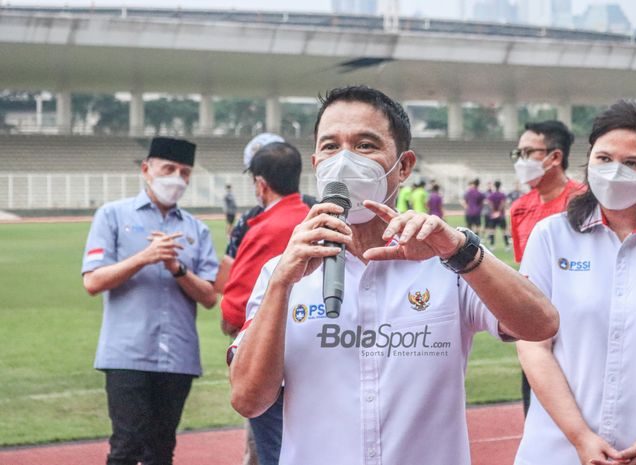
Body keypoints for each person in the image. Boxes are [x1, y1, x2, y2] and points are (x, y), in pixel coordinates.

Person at [228, 85, 559, 465]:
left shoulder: (447, 263)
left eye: (365, 145)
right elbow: (248, 400)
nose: (345, 160)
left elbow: (541, 324)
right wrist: (282, 286)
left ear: (403, 166)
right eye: (332, 147)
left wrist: (459, 250)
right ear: (317, 163)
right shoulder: (282, 274)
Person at [514, 100, 636, 465]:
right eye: (604, 159)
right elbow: (534, 346)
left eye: (632, 164)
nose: (615, 173)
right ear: (589, 159)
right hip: (560, 449)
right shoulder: (551, 237)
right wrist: (581, 438)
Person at [81, 137, 218, 465]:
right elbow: (93, 281)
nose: (176, 178)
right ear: (147, 169)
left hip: (178, 357)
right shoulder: (112, 216)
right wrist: (144, 258)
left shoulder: (196, 230)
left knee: (162, 449)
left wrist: (176, 268)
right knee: (126, 445)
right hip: (127, 354)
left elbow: (210, 296)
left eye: (184, 172)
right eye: (168, 169)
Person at [221, 141, 311, 465]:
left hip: (270, 367)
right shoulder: (314, 218)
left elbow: (233, 308)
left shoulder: (262, 228)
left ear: (261, 184)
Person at [509, 119, 583, 414]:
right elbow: (524, 275)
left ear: (555, 157)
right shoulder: (519, 208)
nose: (521, 161)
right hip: (537, 333)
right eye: (518, 153)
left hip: (580, 332)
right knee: (537, 416)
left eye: (529, 152)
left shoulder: (585, 202)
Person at [485, 180, 509, 249]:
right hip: (501, 215)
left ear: (494, 186)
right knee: (504, 231)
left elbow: (490, 204)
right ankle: (507, 246)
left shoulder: (491, 195)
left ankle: (492, 246)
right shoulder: (502, 194)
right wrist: (499, 211)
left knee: (492, 231)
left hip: (493, 216)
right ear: (500, 186)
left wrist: (494, 211)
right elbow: (503, 203)